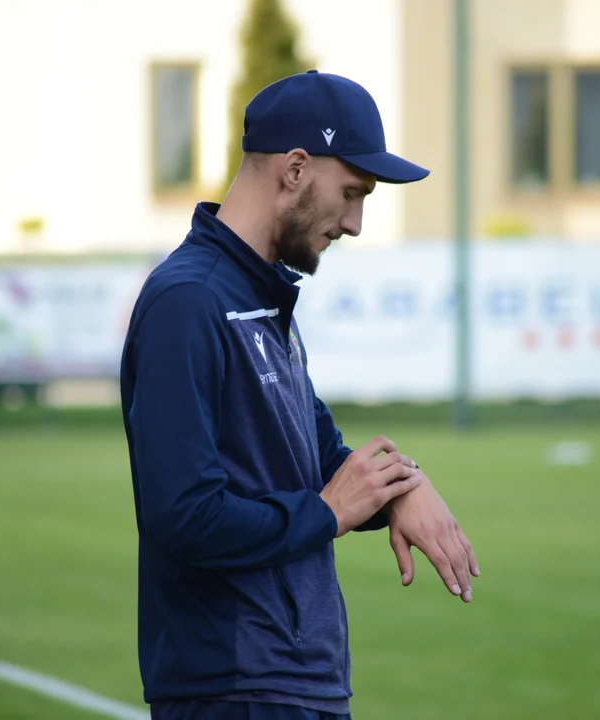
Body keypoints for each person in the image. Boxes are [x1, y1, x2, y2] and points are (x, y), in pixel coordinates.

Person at [120, 69, 479, 720]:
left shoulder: (261, 300)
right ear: (293, 169)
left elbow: (321, 461)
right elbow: (184, 515)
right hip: (233, 685)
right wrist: (326, 514)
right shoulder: (189, 302)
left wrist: (405, 485)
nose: (356, 222)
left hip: (295, 682)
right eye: (351, 193)